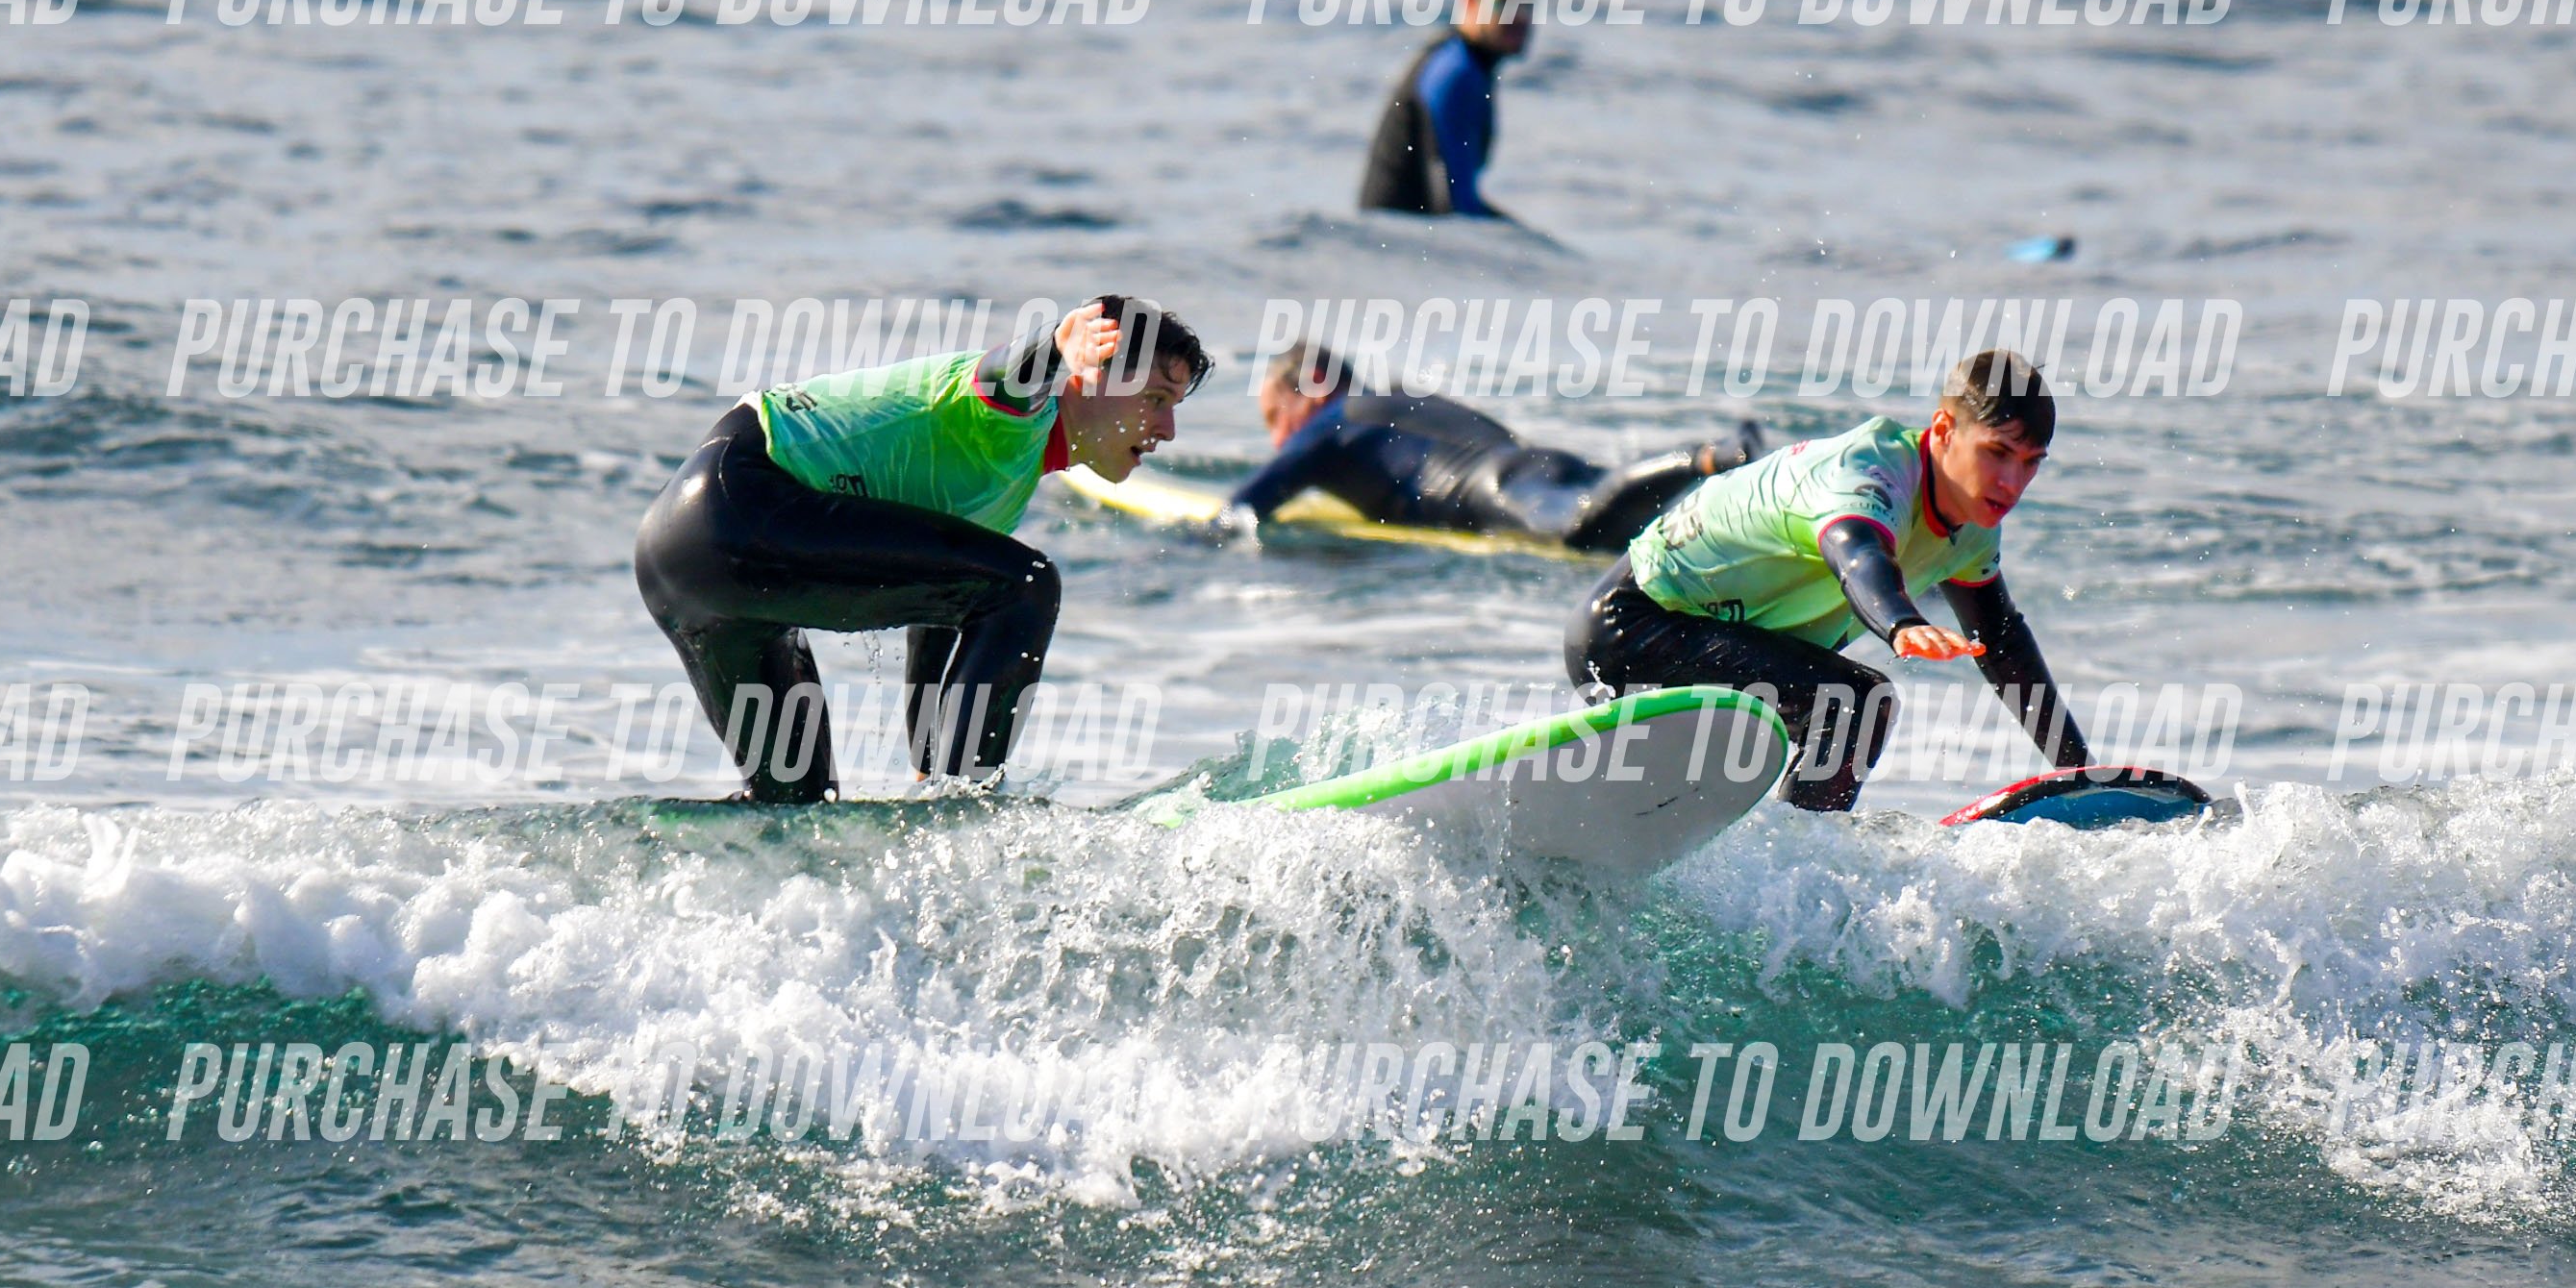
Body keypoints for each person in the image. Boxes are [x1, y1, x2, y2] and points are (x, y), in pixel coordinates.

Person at [634, 297, 1209, 803]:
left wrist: (928, 764)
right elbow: (1006, 375)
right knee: (1028, 584)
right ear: (1089, 376)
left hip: (686, 553)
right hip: (739, 505)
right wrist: (1056, 342)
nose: (1168, 428)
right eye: (1156, 398)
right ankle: (968, 809)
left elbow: (941, 621)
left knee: (793, 804)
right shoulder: (1013, 417)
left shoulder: (1007, 482)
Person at [1566, 347, 2088, 812]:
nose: (2012, 483)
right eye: (1997, 453)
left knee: (1848, 705)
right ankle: (1799, 857)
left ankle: (1795, 855)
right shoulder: (1868, 471)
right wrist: (1901, 622)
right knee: (1852, 702)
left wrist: (2082, 775)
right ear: (1945, 430)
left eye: (2031, 463)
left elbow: (2002, 643)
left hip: (1717, 648)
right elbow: (1858, 555)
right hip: (1632, 628)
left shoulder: (1974, 524)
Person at [1219, 341, 1760, 553]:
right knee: (1633, 526)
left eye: (1275, 417)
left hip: (1499, 487)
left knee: (1575, 528)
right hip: (1539, 463)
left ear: (1313, 384)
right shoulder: (1398, 397)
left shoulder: (1330, 425)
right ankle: (1742, 499)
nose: (1278, 440)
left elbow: (1245, 505)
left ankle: (1712, 456)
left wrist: (1195, 543)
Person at [1357, 0, 1534, 219]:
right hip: (1394, 239)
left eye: (1527, 4)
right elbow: (1454, 207)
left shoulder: (1471, 68)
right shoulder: (1455, 74)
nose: (1521, 18)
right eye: (1505, 3)